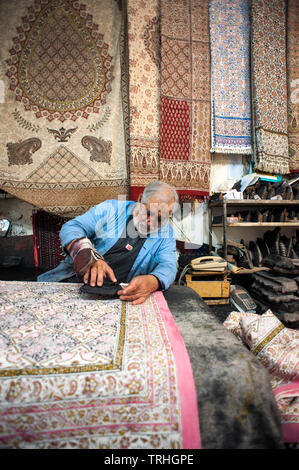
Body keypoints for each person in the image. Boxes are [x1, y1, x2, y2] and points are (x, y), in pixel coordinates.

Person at [37, 181, 178, 305]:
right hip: (69, 284)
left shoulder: (166, 233)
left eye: (160, 218)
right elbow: (71, 227)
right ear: (140, 199)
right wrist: (89, 257)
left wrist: (153, 281)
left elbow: (169, 266)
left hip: (113, 298)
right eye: (148, 212)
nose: (151, 222)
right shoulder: (110, 210)